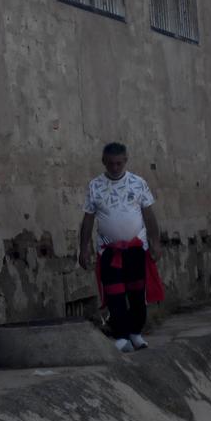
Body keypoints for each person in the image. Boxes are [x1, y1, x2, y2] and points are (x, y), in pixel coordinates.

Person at [78, 142, 164, 352]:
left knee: (136, 294)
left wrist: (155, 242)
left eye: (118, 163)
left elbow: (149, 215)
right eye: (110, 164)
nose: (114, 167)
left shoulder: (138, 183)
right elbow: (88, 219)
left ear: (125, 161)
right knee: (114, 294)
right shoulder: (95, 186)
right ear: (103, 162)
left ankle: (135, 333)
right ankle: (122, 336)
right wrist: (84, 247)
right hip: (109, 251)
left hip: (135, 249)